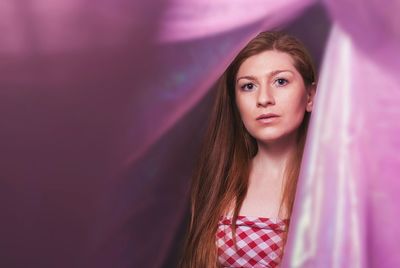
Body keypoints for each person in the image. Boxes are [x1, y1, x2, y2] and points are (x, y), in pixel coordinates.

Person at [180, 31, 317, 268]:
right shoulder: (218, 183)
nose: (264, 98)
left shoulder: (333, 184)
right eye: (249, 86)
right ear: (236, 102)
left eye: (280, 81)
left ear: (310, 96)